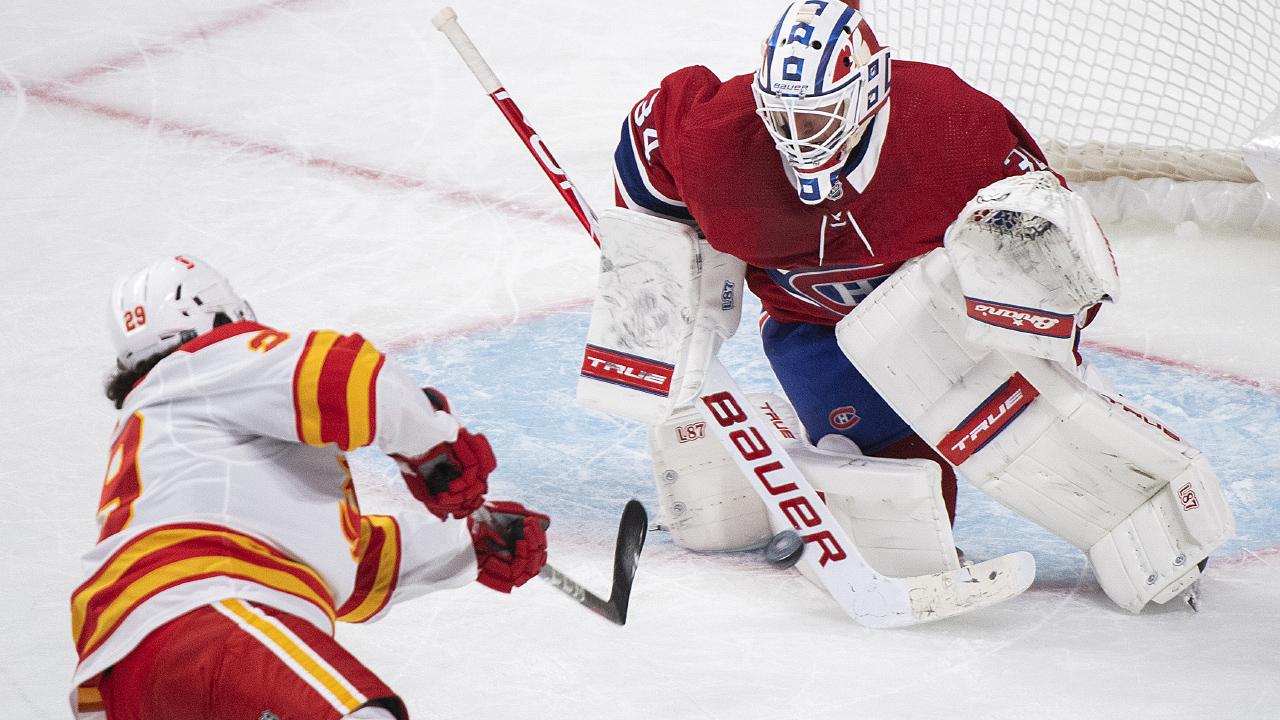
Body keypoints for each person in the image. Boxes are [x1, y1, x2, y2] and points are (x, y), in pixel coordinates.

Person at [612, 0, 1065, 523]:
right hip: (813, 325)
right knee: (898, 508)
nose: (798, 136)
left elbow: (1045, 221)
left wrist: (1039, 316)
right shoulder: (718, 138)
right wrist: (653, 261)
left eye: (816, 115)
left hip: (942, 318)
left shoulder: (951, 123)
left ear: (867, 92)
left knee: (1045, 440)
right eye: (781, 116)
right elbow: (647, 150)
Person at [71, 254, 550, 720]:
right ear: (219, 313)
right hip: (206, 621)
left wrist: (469, 544)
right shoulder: (207, 363)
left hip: (134, 683)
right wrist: (437, 449)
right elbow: (352, 378)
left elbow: (339, 567)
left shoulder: (180, 432)